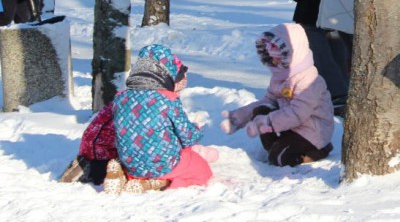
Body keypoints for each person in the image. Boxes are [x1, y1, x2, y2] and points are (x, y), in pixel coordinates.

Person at [105, 45, 218, 193]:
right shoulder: (168, 99)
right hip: (164, 163)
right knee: (203, 172)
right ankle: (161, 183)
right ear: (167, 72)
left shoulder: (121, 97)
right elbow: (187, 137)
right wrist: (196, 129)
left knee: (139, 161)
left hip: (132, 165)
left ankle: (129, 176)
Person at [221, 24, 335, 167]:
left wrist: (269, 121)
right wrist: (239, 117)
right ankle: (279, 146)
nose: (275, 62)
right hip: (291, 126)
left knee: (279, 158)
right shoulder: (280, 76)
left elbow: (298, 113)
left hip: (312, 130)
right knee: (261, 110)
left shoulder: (309, 80)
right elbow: (268, 100)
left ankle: (318, 151)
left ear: (293, 55)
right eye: (272, 59)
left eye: (279, 58)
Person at [59, 101, 119, 185]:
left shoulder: (126, 99)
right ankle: (82, 168)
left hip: (97, 147)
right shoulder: (129, 104)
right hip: (99, 154)